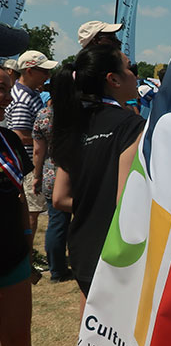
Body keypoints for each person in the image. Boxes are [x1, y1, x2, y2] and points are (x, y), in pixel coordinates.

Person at [52, 46, 143, 297]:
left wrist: (91, 204)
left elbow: (59, 198)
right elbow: (127, 202)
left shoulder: (72, 124)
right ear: (113, 80)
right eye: (129, 67)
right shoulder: (132, 126)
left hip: (81, 251)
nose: (135, 74)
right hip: (118, 254)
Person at [0, 54, 35, 346]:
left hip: (12, 258)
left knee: (18, 338)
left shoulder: (9, 139)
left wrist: (27, 238)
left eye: (8, 90)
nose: (8, 99)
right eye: (0, 90)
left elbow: (19, 193)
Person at [7, 50, 57, 239]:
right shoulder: (22, 99)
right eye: (43, 71)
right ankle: (27, 257)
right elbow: (18, 135)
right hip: (28, 163)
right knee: (31, 215)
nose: (47, 76)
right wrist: (47, 139)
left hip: (30, 163)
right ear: (29, 71)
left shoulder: (31, 94)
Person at [32, 98, 73, 282]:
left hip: (51, 172)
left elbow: (38, 151)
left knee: (56, 223)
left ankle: (57, 269)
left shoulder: (43, 115)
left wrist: (36, 175)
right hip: (76, 172)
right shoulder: (78, 112)